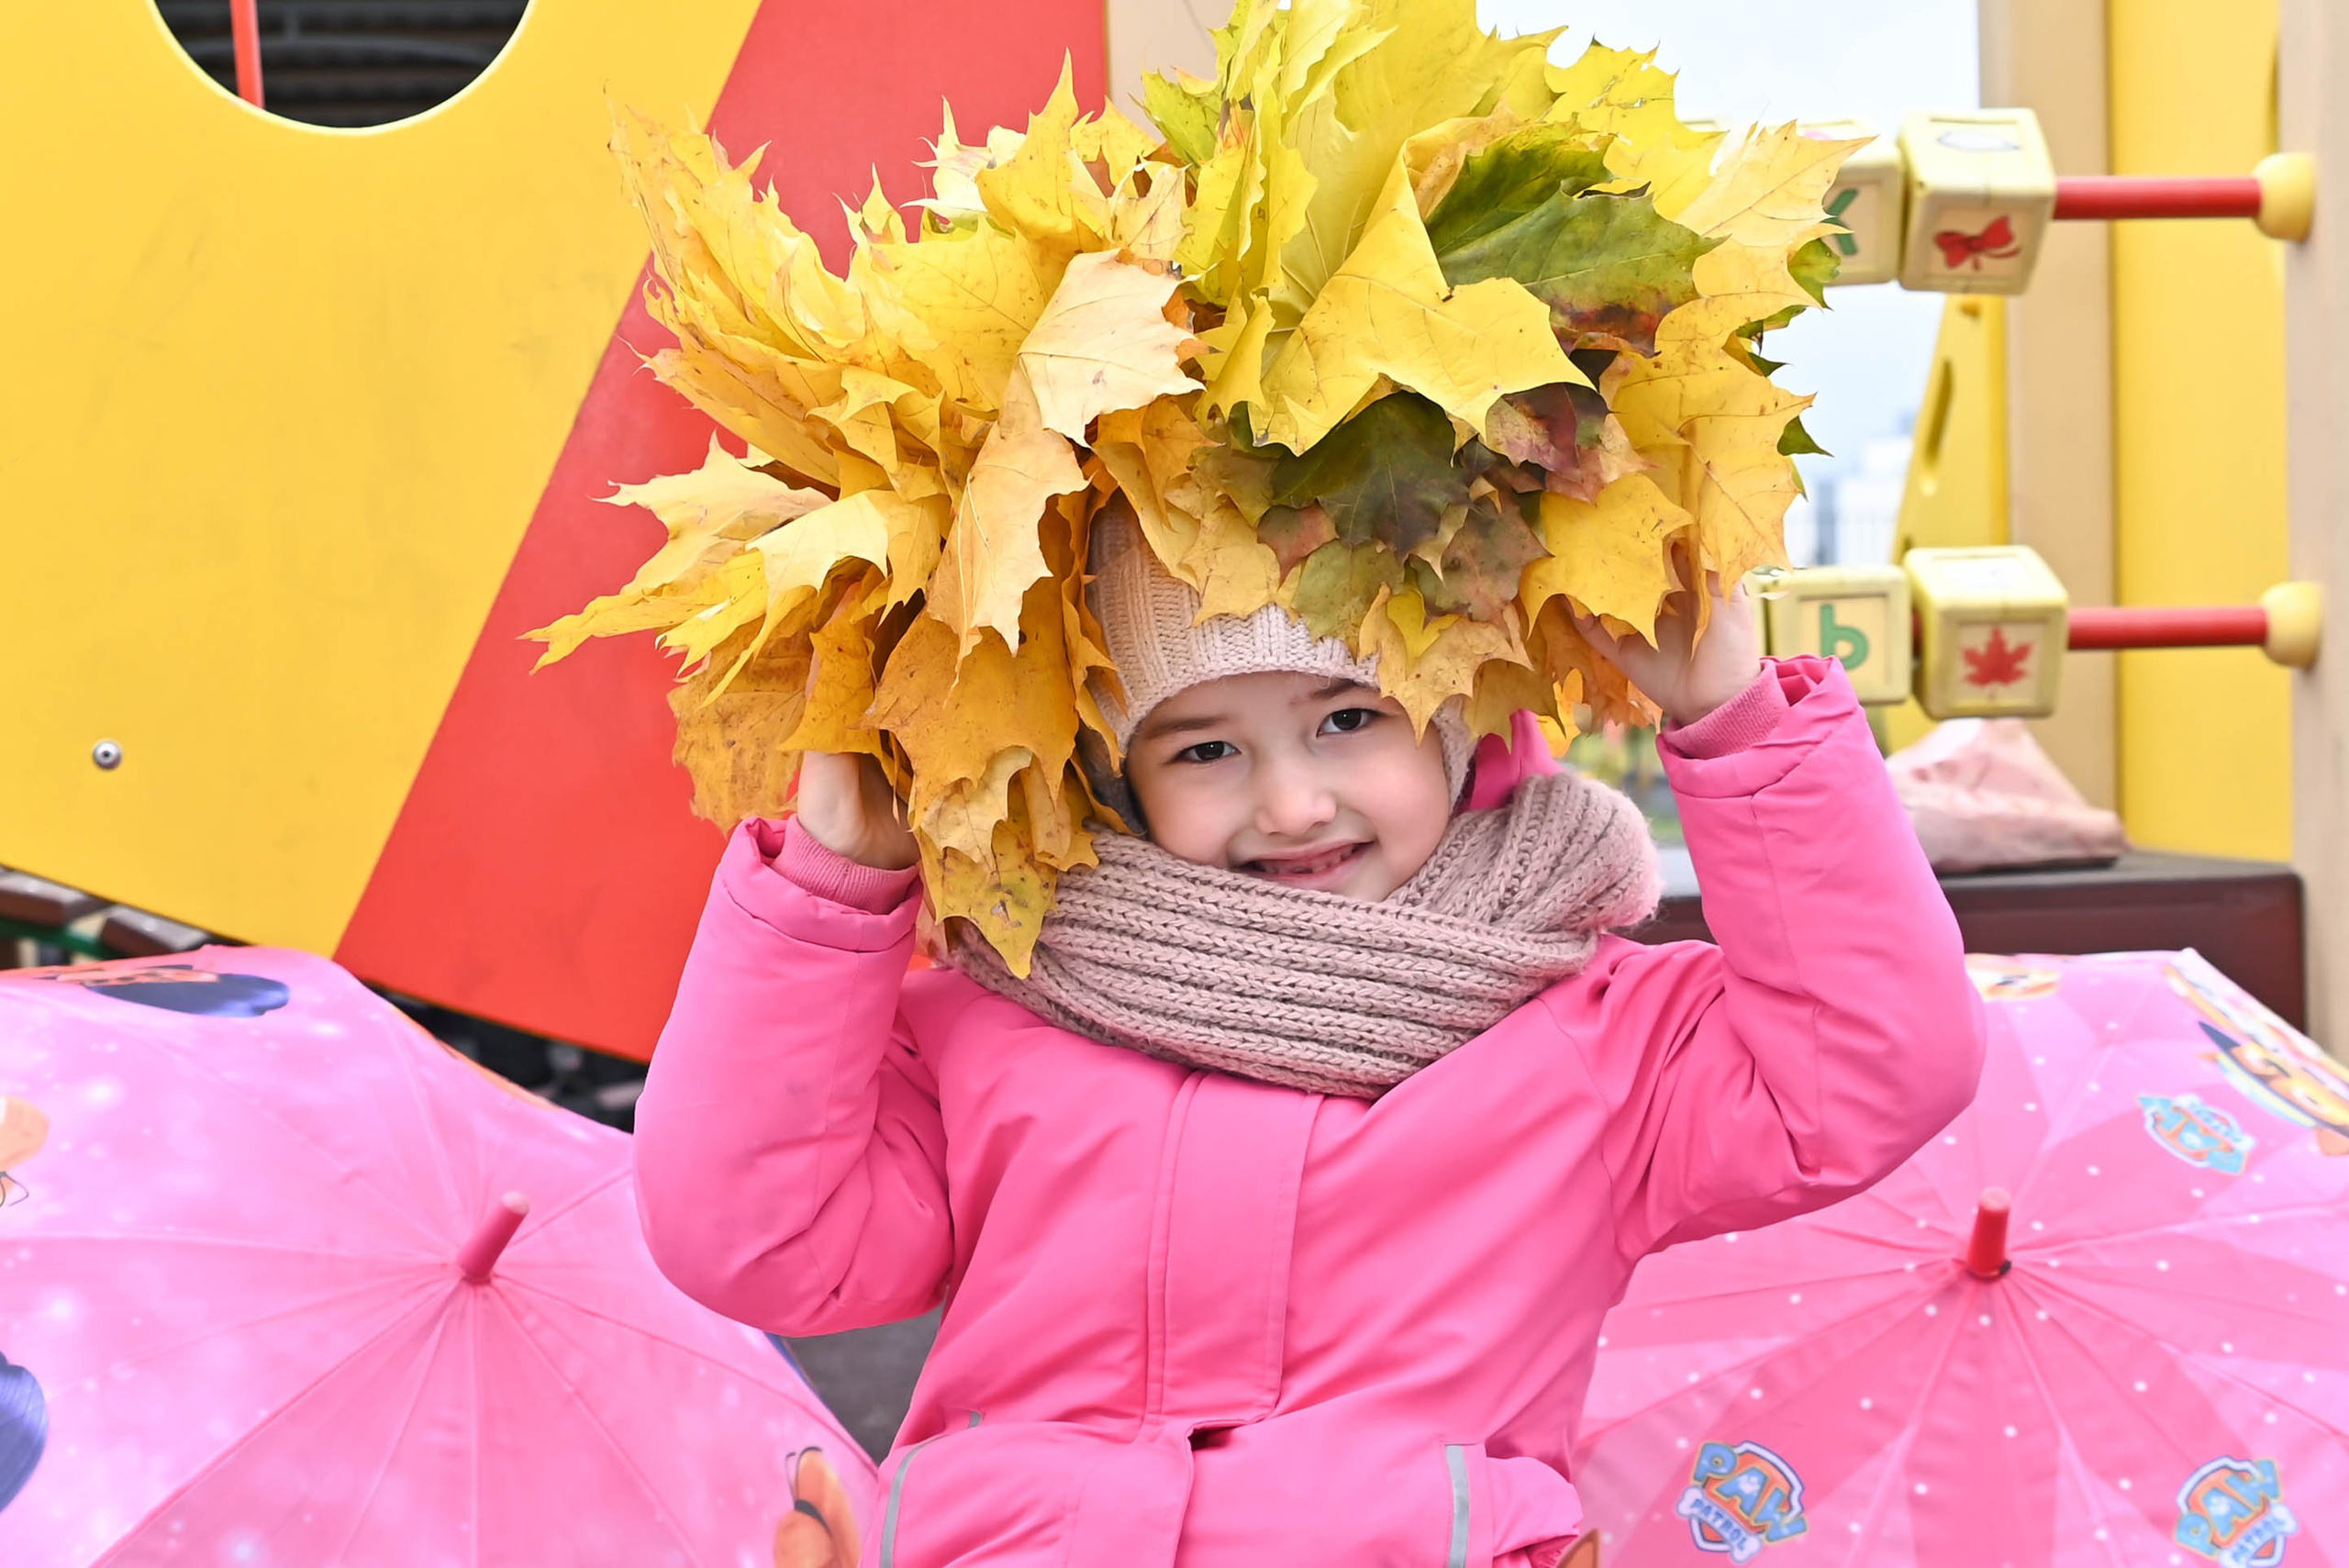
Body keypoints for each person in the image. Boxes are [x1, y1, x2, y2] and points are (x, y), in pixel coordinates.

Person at [633, 513, 1986, 1567]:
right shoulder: (1004, 1008)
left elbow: (1871, 1066)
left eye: (1350, 719)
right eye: (1202, 748)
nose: (1291, 799)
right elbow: (755, 1233)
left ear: (1458, 728)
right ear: (1114, 779)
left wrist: (1736, 722)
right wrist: (831, 886)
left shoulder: (1597, 1036)